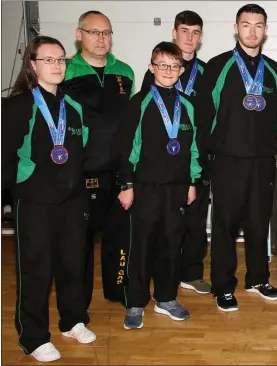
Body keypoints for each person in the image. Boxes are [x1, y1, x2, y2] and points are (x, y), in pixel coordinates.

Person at [2, 36, 96, 363]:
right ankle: (34, 337)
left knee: (72, 266)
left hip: (72, 202)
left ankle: (72, 321)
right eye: (48, 60)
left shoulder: (74, 108)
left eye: (60, 60)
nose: (56, 66)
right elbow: (5, 160)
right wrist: (20, 192)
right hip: (35, 203)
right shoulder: (16, 106)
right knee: (36, 271)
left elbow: (79, 152)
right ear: (32, 65)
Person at [197, 3, 277, 312]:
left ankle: (258, 278)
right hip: (227, 161)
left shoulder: (276, 70)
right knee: (225, 225)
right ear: (236, 28)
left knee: (259, 222)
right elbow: (204, 116)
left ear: (265, 29)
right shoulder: (217, 66)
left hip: (262, 161)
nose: (252, 31)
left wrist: (267, 151)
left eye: (258, 25)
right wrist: (210, 158)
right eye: (246, 25)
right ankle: (223, 286)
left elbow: (276, 117)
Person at [114, 42, 202, 329]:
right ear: (151, 67)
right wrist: (127, 184)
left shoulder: (188, 105)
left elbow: (193, 149)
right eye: (162, 65)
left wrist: (191, 181)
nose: (168, 71)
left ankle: (166, 298)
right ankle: (136, 301)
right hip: (145, 187)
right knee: (142, 247)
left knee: (171, 245)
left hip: (177, 188)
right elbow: (127, 148)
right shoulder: (138, 103)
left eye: (174, 66)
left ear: (181, 70)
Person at [61, 10, 135, 308]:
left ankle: (118, 292)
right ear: (79, 34)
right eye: (94, 32)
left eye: (106, 32)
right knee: (79, 244)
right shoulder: (65, 70)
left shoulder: (125, 72)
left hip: (118, 172)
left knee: (120, 237)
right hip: (82, 171)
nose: (101, 39)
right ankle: (78, 304)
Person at [140, 10, 211, 296]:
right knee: (162, 223)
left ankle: (191, 273)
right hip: (161, 163)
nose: (189, 37)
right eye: (184, 31)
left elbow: (212, 114)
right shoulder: (155, 71)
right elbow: (144, 115)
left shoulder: (207, 72)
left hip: (195, 158)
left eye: (195, 32)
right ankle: (161, 277)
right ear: (173, 32)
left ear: (201, 36)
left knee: (195, 219)